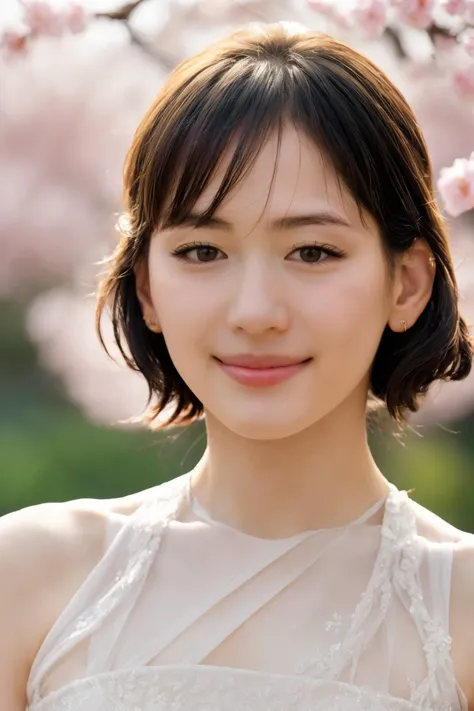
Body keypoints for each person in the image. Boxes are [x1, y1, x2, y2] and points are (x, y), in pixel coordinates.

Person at [1, 21, 473, 711]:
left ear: (407, 283)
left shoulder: (460, 607)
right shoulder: (29, 574)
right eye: (202, 251)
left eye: (312, 251)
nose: (255, 312)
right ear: (147, 290)